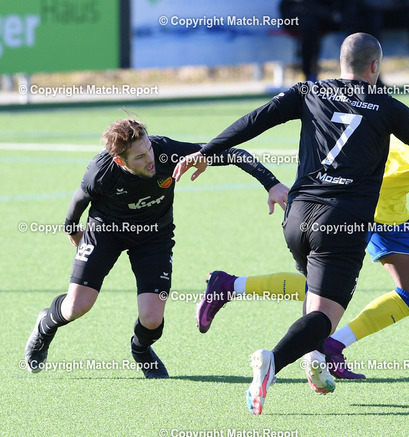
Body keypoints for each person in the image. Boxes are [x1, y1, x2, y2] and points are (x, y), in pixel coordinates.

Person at [172, 32, 409, 414]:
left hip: (297, 215)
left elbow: (254, 121)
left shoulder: (308, 91)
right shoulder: (388, 106)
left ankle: (315, 361)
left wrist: (206, 152)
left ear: (341, 62)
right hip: (342, 223)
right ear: (375, 66)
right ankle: (272, 361)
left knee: (314, 295)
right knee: (323, 317)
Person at [195, 68, 409, 380]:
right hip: (369, 197)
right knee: (324, 293)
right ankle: (242, 296)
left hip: (390, 201)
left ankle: (324, 341)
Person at [24, 119, 288, 379]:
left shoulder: (166, 152)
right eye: (139, 157)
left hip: (153, 236)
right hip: (106, 232)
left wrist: (272, 184)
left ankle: (140, 349)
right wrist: (72, 229)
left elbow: (233, 153)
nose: (149, 158)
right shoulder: (101, 171)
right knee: (76, 307)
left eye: (148, 148)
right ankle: (45, 324)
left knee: (152, 320)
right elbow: (79, 201)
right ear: (120, 161)